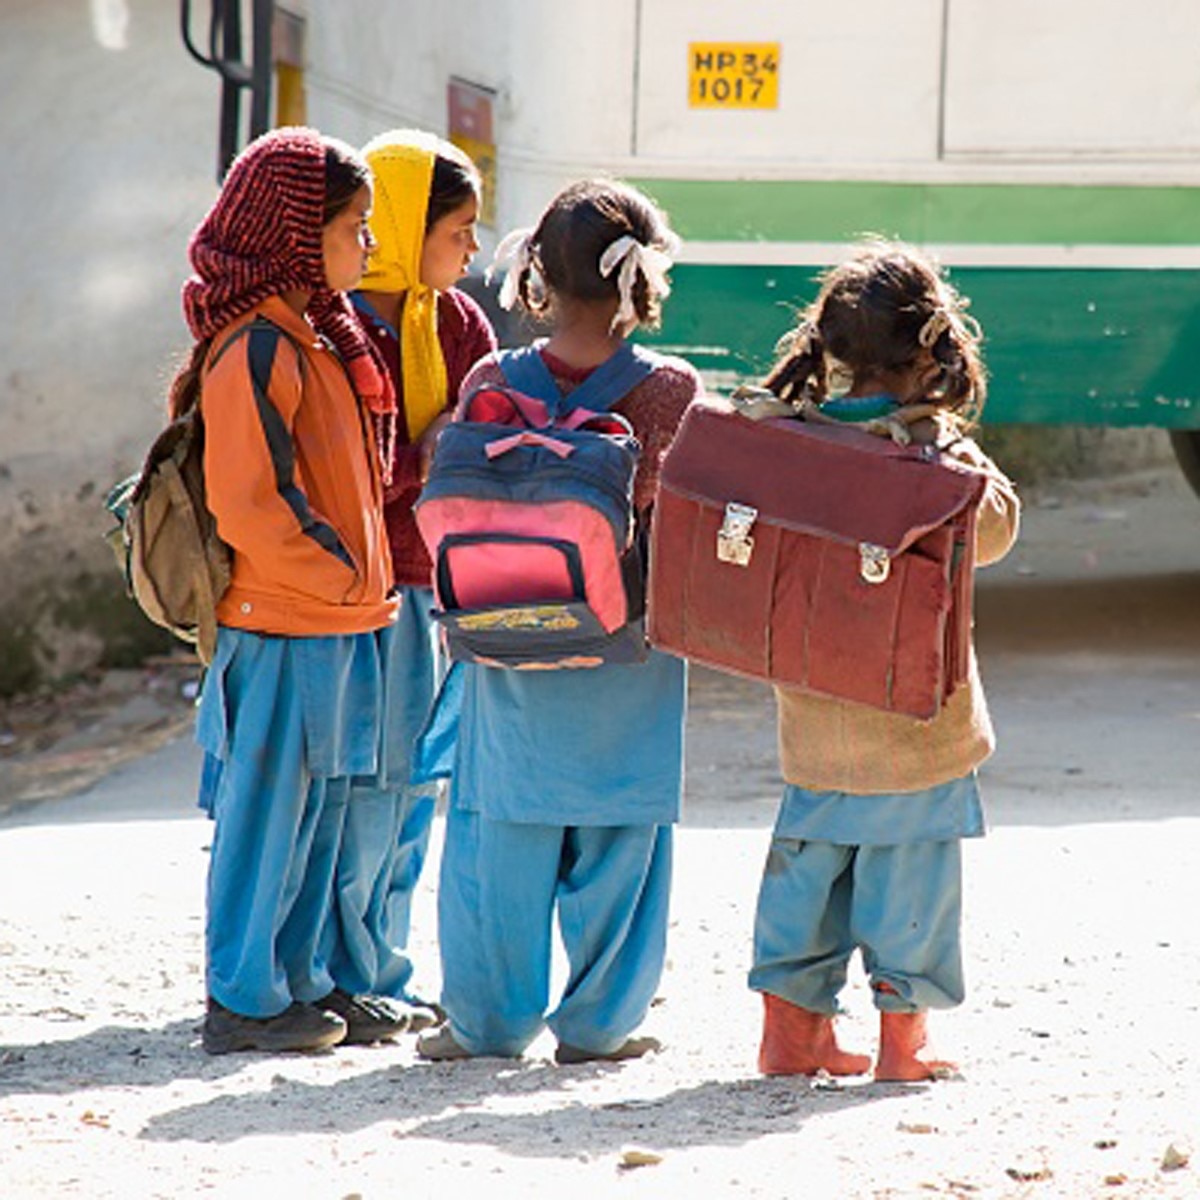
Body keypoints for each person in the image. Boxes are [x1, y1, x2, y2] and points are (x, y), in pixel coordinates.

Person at [416, 179, 702, 1064]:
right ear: (640, 278)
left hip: (504, 643)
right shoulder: (670, 390)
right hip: (627, 651)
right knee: (622, 839)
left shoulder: (492, 379)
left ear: (536, 273)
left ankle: (488, 1024)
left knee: (499, 836)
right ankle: (602, 1025)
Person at [747, 239, 1021, 1081]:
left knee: (806, 882)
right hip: (917, 731)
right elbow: (997, 532)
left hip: (814, 724)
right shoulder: (941, 460)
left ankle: (791, 1035)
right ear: (931, 354)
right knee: (913, 889)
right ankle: (904, 1044)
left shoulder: (790, 438)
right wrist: (951, 441)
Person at [181, 127, 400, 1054]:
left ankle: (298, 984)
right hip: (280, 622)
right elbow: (250, 501)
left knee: (320, 813)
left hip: (334, 621)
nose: (368, 245)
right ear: (299, 235)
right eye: (355, 226)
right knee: (267, 817)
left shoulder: (318, 336)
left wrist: (354, 591)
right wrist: (340, 572)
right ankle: (241, 997)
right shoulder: (256, 347)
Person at [320, 129, 496, 1028]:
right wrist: (429, 457)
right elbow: (342, 471)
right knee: (365, 785)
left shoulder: (458, 325)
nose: (472, 250)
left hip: (438, 583)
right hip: (363, 588)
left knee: (416, 785)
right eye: (457, 232)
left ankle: (382, 968)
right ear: (400, 225)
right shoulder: (338, 328)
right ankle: (349, 972)